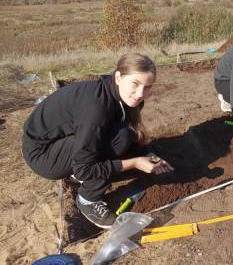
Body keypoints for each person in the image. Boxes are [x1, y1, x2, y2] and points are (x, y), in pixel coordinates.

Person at [22, 52, 173, 229]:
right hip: (43, 154)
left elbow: (126, 128)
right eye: (135, 83)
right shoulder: (96, 108)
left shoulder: (124, 96)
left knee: (123, 135)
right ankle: (88, 198)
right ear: (118, 77)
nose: (140, 93)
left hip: (65, 140)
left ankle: (82, 167)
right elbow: (84, 168)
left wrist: (145, 154)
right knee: (118, 140)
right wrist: (134, 163)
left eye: (147, 87)